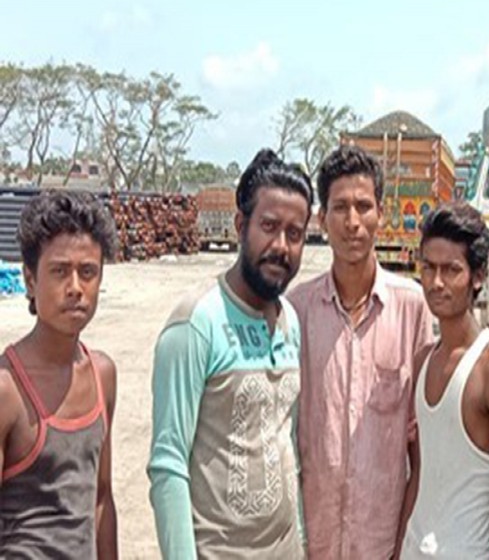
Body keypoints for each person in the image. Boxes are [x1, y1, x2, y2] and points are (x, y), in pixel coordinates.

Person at [148, 149, 311, 559]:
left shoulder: (290, 320)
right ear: (241, 225)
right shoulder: (196, 323)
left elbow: (287, 443)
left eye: (295, 234)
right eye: (269, 227)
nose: (281, 246)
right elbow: (168, 465)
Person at [286, 145, 433, 559]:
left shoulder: (411, 307)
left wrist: (405, 538)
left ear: (381, 215)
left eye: (364, 207)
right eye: (340, 208)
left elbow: (419, 442)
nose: (353, 222)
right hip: (313, 540)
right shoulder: (297, 311)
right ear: (322, 218)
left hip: (382, 542)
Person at [399, 203, 489, 559]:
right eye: (428, 268)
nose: (437, 282)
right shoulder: (424, 359)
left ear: (478, 276)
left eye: (451, 270)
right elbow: (421, 473)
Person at [0, 191, 119, 558]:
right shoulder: (7, 388)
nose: (75, 288)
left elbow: (100, 499)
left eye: (88, 272)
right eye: (59, 271)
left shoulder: (102, 374)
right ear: (31, 281)